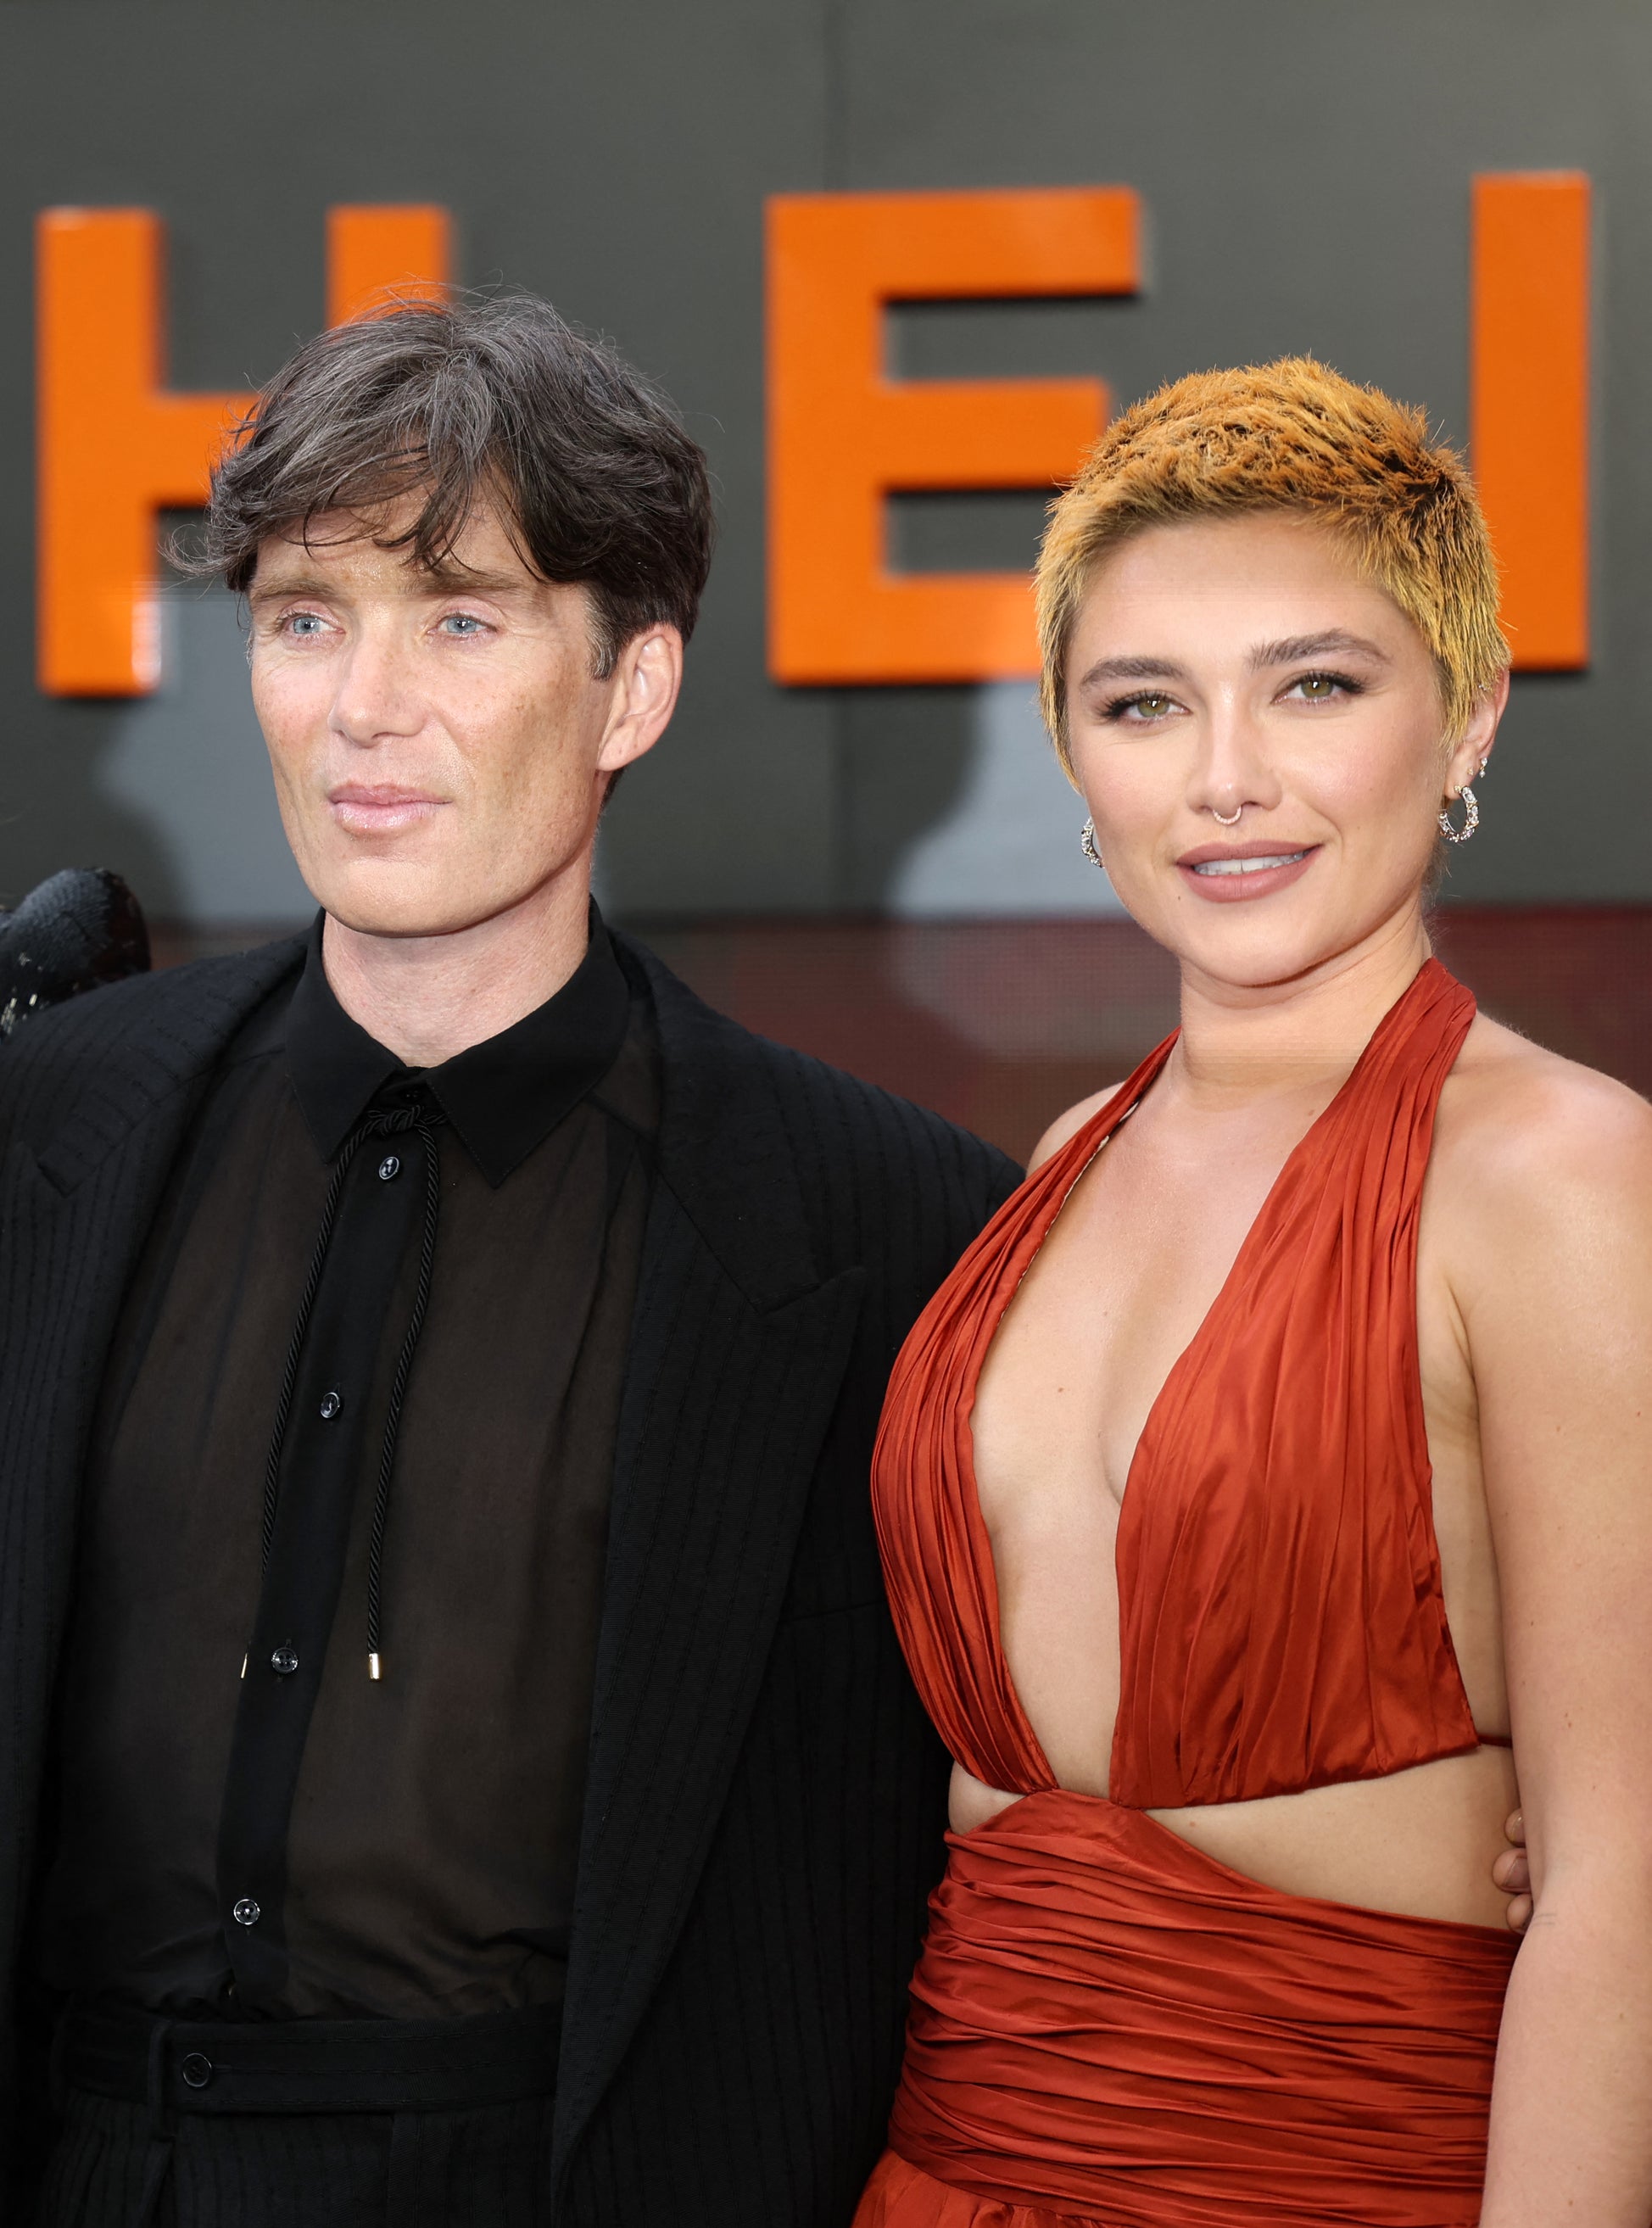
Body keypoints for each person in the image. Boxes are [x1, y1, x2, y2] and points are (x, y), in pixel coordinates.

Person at [0, 295, 1021, 2227]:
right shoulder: (45, 1124)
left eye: (458, 620)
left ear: (630, 692)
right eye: (307, 618)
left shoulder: (891, 1233)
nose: (362, 707)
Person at [855, 360, 1652, 2225]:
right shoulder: (1059, 1162)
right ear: (1070, 755)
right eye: (1144, 704)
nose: (1224, 778)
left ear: (1461, 720)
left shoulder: (1555, 1182)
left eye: (1313, 685)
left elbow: (1620, 1888)